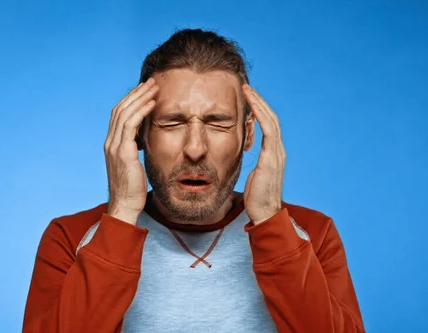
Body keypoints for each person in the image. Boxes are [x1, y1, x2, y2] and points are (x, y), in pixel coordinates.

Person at [22, 29, 365, 333]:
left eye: (218, 123)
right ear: (138, 133)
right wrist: (122, 213)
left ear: (248, 135)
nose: (196, 149)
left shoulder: (311, 234)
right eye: (172, 123)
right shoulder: (70, 238)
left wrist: (272, 224)